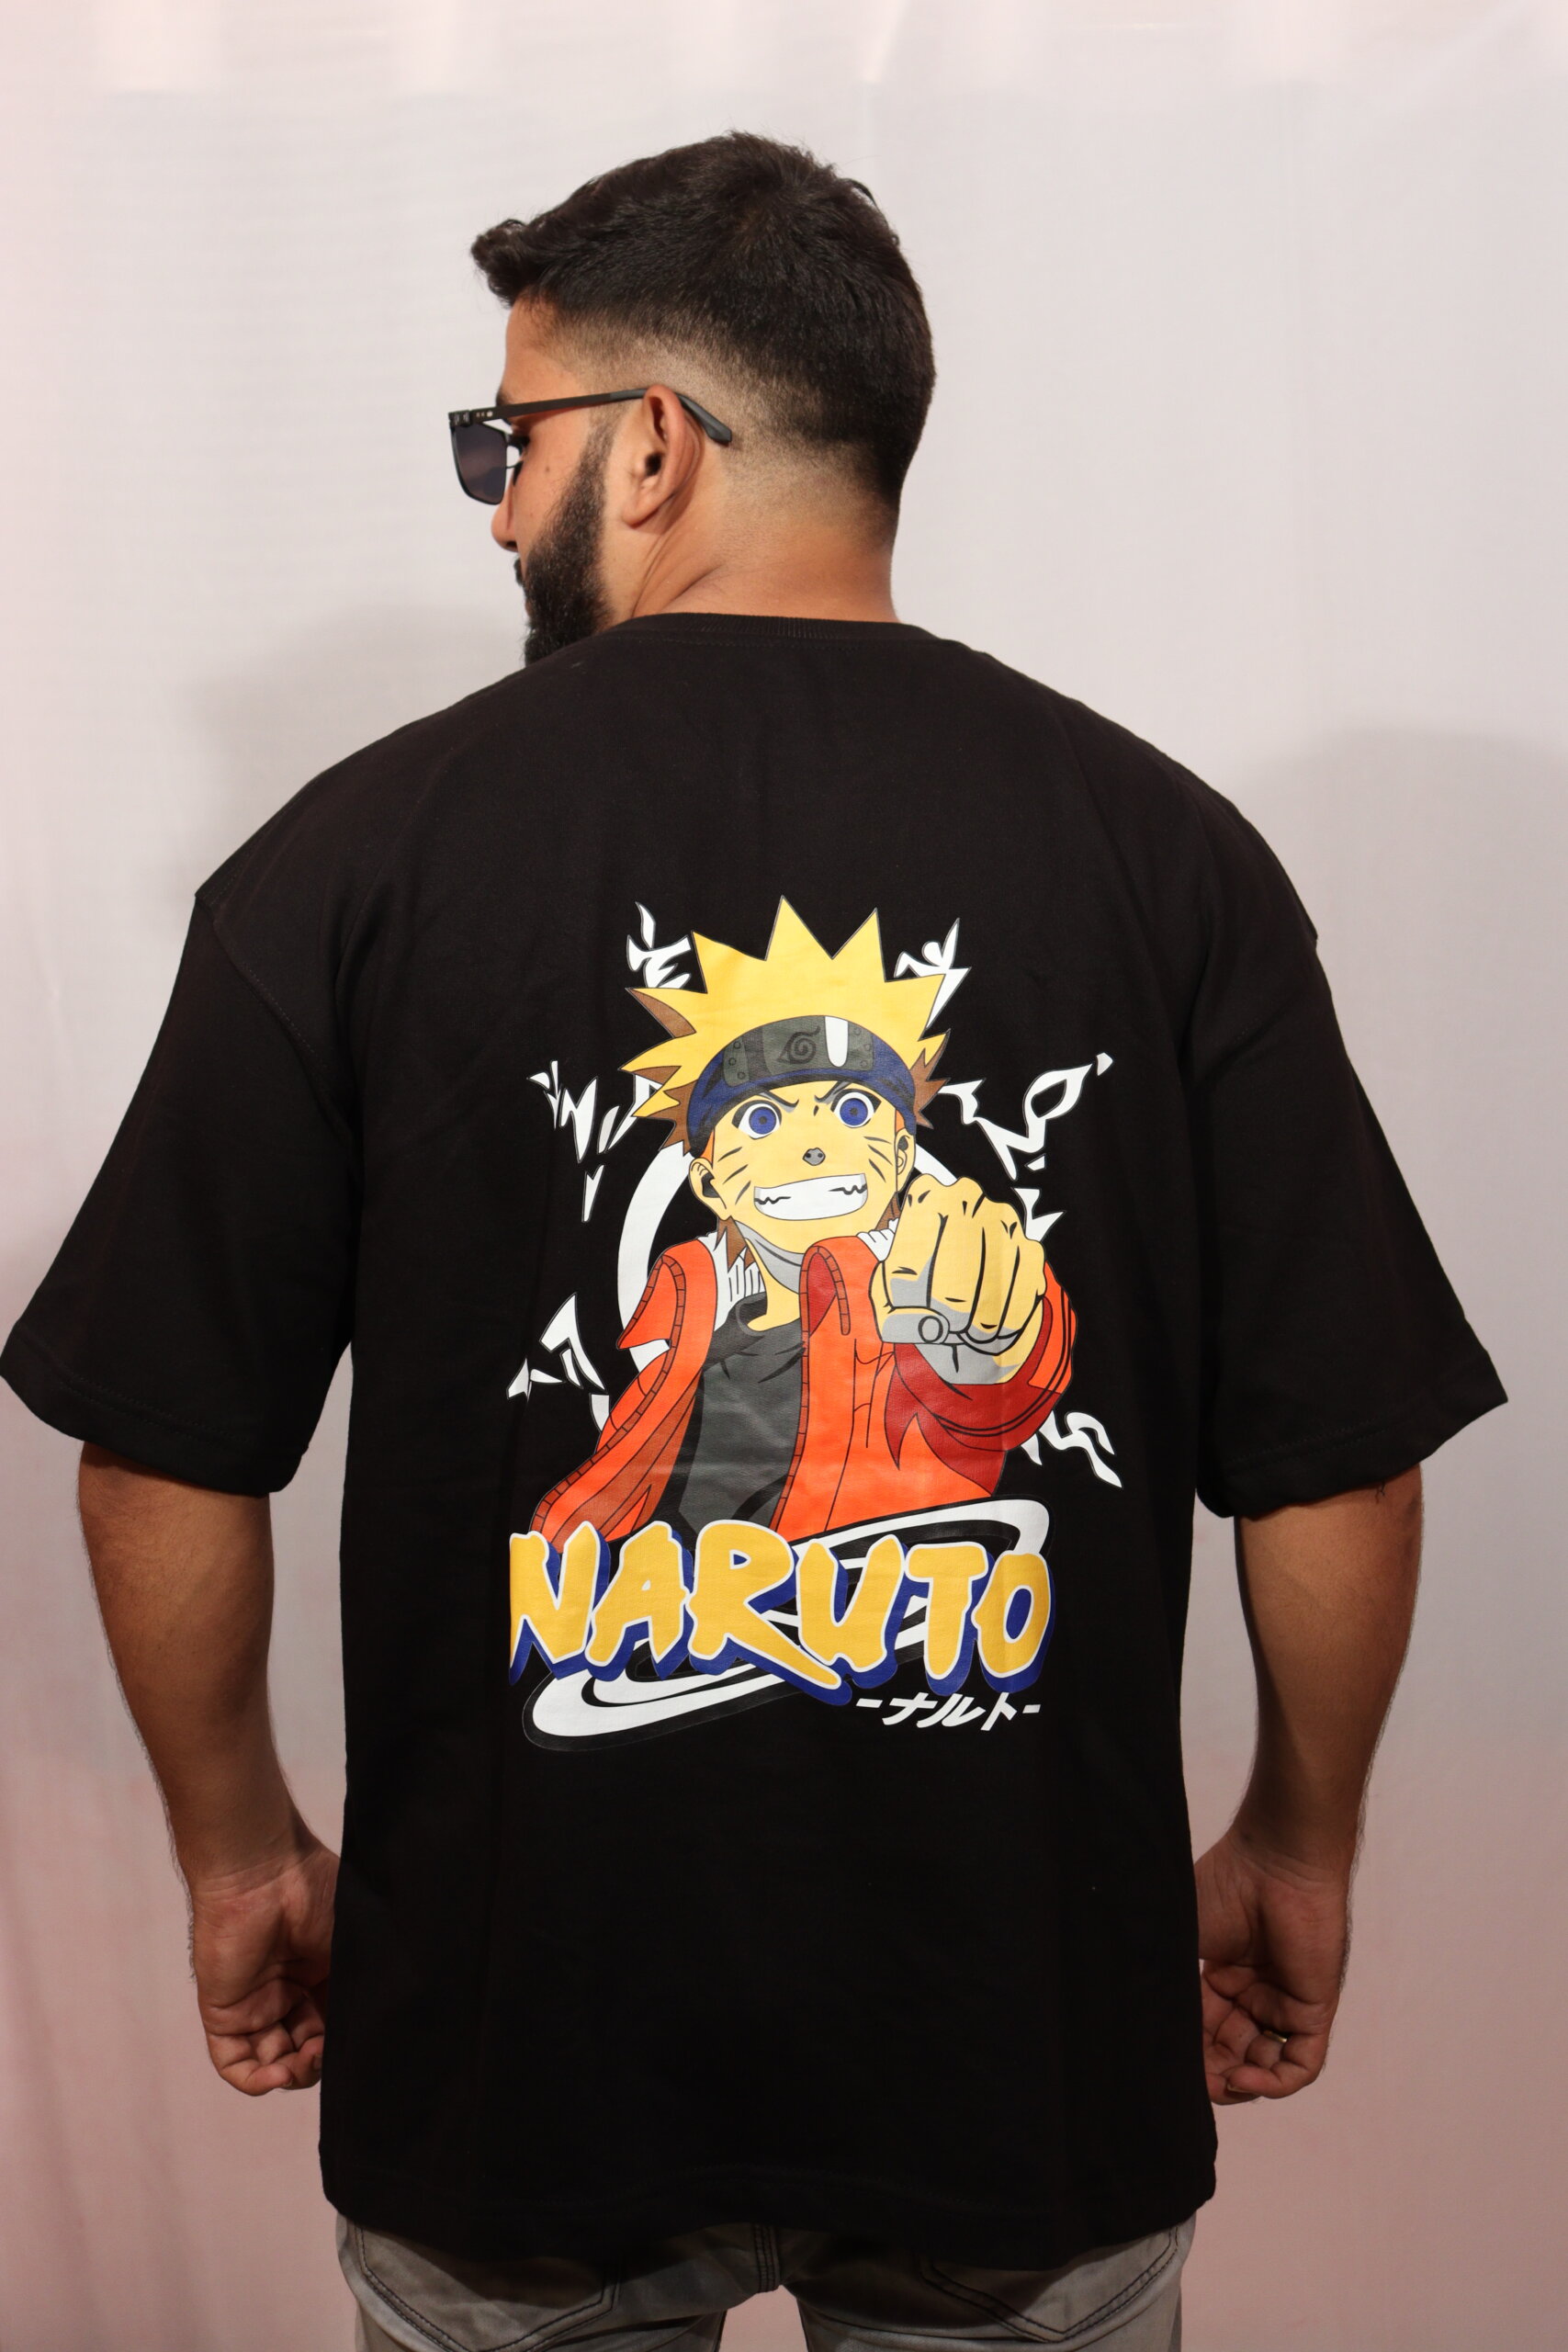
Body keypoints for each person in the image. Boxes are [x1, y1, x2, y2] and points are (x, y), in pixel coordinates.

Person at [1, 131, 1506, 2352]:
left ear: (649, 446)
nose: (497, 510)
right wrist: (1295, 1844)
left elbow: (158, 1450)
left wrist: (244, 1859)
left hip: (515, 2066)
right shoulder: (1166, 856)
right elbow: (1334, 1462)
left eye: (507, 444)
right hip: (1018, 2059)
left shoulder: (349, 860)